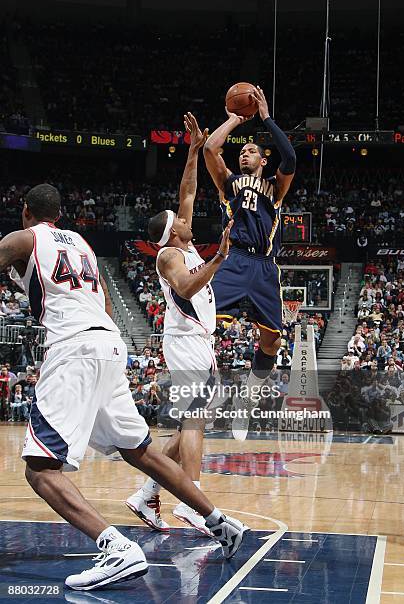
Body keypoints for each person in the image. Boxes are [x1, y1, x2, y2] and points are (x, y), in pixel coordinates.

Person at [0, 183, 246, 591]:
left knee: (40, 470)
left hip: (73, 346)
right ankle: (222, 523)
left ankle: (116, 547)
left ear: (25, 210)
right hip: (109, 344)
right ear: (58, 215)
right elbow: (108, 302)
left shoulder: (22, 238)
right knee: (142, 451)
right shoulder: (81, 243)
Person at [127, 113, 234, 536]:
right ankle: (193, 500)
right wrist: (219, 257)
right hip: (186, 340)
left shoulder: (181, 241)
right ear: (174, 231)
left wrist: (192, 151)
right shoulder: (170, 256)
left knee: (191, 423)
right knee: (194, 421)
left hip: (197, 343)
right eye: (181, 217)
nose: (189, 215)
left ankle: (147, 492)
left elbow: (187, 188)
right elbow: (187, 289)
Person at [203, 86, 296, 439]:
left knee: (271, 342)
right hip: (234, 259)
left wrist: (265, 117)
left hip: (265, 266)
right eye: (242, 150)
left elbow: (291, 159)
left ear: (263, 159)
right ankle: (208, 390)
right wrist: (232, 121)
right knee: (199, 321)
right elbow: (211, 149)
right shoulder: (230, 183)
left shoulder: (276, 186)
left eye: (252, 150)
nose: (245, 153)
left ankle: (247, 401)